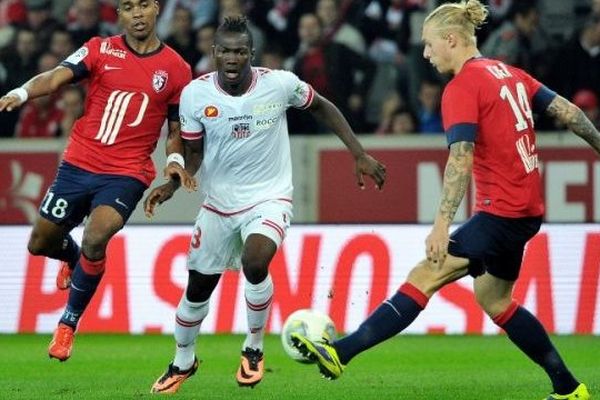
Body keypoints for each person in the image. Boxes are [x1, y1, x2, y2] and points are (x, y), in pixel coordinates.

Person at [291, 1, 599, 399]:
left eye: (429, 44)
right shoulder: (510, 73)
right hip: (526, 211)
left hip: (500, 213)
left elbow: (461, 156)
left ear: (451, 40)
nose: (426, 54)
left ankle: (340, 353)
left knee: (426, 274)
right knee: (495, 299)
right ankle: (569, 388)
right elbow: (571, 113)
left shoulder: (463, 85)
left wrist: (441, 224)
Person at [146, 16, 386, 394]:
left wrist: (358, 154)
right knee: (196, 291)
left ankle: (254, 349)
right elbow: (194, 154)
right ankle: (183, 361)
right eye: (224, 50)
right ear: (213, 53)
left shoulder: (278, 84)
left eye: (240, 51)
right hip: (219, 204)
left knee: (255, 262)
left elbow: (322, 106)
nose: (231, 58)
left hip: (269, 196)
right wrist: (173, 183)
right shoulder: (196, 95)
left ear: (251, 54)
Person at [0, 0, 195, 362]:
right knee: (40, 242)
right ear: (119, 14)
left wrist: (173, 161)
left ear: (156, 10)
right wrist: (21, 93)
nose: (136, 14)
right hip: (78, 163)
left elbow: (175, 128)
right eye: (127, 7)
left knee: (96, 236)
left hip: (126, 172)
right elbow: (56, 76)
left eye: (144, 6)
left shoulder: (178, 69)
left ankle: (67, 324)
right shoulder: (98, 49)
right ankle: (71, 259)